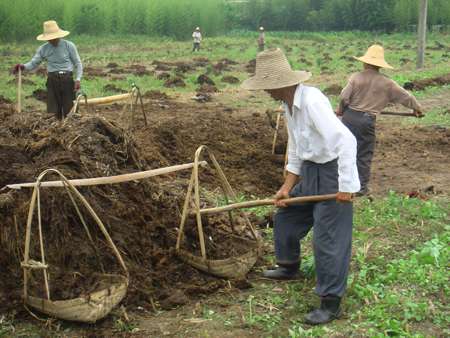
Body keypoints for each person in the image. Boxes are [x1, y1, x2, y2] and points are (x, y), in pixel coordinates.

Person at [241, 49, 360, 325]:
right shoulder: (287, 104)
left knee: (328, 239)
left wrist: (345, 185)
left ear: (280, 83)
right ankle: (289, 266)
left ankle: (331, 302)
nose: (265, 92)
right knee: (287, 215)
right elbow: (296, 149)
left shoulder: (312, 101)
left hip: (332, 174)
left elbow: (346, 141)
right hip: (310, 173)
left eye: (267, 86)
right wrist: (287, 186)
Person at [336, 44, 423, 195]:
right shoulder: (387, 83)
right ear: (379, 65)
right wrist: (417, 108)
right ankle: (360, 189)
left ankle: (341, 184)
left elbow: (344, 97)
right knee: (363, 154)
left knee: (346, 150)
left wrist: (341, 111)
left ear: (365, 62)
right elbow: (406, 96)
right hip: (366, 120)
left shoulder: (356, 77)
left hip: (349, 118)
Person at [12, 20, 83, 120]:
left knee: (70, 111)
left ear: (59, 35)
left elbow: (78, 63)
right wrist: (23, 67)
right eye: (50, 38)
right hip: (52, 81)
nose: (52, 40)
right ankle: (55, 132)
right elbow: (33, 63)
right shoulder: (43, 49)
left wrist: (78, 79)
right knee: (52, 112)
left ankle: (70, 129)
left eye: (54, 38)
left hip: (67, 79)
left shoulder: (69, 45)